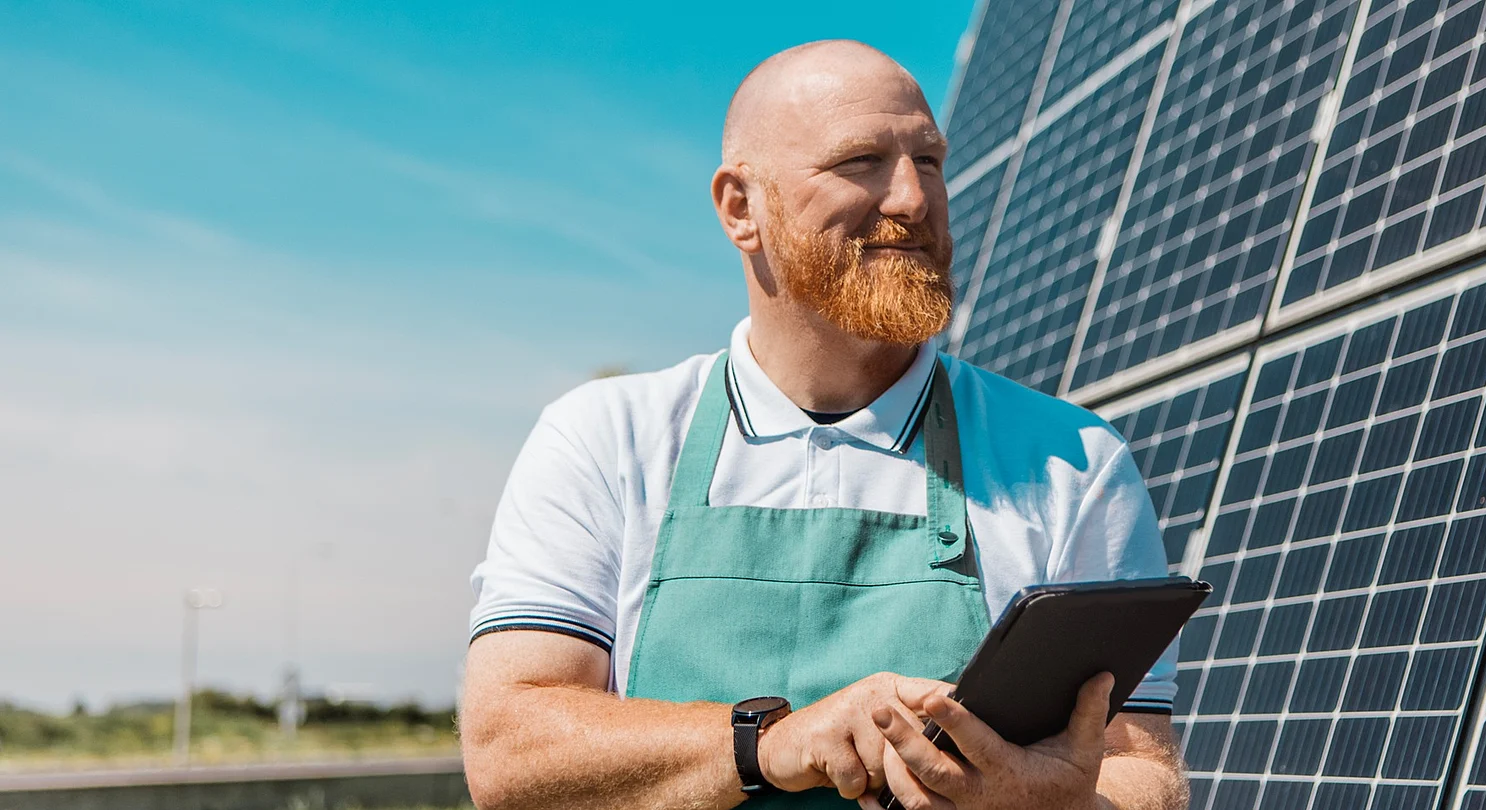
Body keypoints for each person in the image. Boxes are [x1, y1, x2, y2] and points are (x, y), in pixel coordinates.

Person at [459, 40, 1189, 810]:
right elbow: (510, 752)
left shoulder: (1069, 463)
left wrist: (1050, 803)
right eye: (860, 162)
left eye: (930, 161)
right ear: (743, 209)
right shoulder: (608, 440)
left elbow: (1140, 767)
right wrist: (771, 744)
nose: (913, 199)